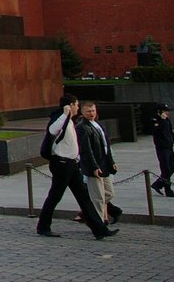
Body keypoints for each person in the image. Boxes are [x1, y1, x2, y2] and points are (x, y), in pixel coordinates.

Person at [36, 94, 117, 239]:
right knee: (55, 196)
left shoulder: (70, 121)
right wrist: (65, 113)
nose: (78, 107)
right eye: (76, 105)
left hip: (71, 164)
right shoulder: (60, 118)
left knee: (84, 197)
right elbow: (52, 130)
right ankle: (43, 226)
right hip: (61, 163)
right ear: (70, 105)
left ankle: (99, 229)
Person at [77, 101, 121, 223]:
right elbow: (86, 150)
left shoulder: (98, 125)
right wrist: (94, 166)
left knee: (109, 193)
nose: (91, 113)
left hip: (104, 164)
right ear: (82, 112)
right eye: (88, 111)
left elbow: (106, 145)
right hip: (93, 167)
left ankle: (89, 212)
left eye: (93, 111)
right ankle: (99, 223)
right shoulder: (81, 127)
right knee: (98, 197)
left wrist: (111, 161)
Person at [151, 103, 174, 197]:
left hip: (169, 147)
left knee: (172, 168)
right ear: (159, 111)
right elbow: (158, 131)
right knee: (166, 169)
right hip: (162, 148)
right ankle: (168, 191)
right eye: (165, 111)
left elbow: (170, 132)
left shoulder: (167, 120)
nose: (167, 113)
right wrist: (162, 121)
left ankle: (157, 184)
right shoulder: (155, 120)